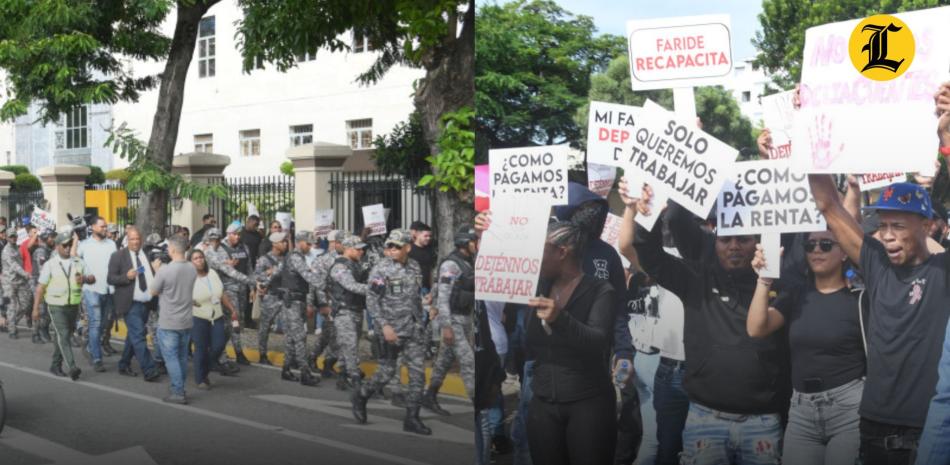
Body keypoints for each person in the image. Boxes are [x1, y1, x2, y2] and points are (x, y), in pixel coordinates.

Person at [628, 182, 788, 465]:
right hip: (704, 417)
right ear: (714, 243)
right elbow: (652, 257)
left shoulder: (779, 285)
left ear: (757, 243)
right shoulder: (695, 278)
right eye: (725, 240)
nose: (734, 247)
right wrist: (647, 215)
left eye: (743, 239)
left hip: (762, 421)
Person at [810, 173, 950, 465]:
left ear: (926, 226)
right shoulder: (876, 263)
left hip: (927, 430)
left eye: (898, 226)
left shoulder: (943, 270)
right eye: (883, 225)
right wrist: (812, 148)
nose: (887, 235)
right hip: (872, 425)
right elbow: (827, 205)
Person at [746, 230, 865, 465]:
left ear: (844, 253)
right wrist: (764, 279)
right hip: (801, 411)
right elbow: (756, 328)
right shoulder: (796, 293)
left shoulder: (860, 296)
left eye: (826, 244)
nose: (817, 250)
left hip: (849, 410)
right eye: (810, 246)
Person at [525, 221, 618, 465]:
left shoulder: (600, 290)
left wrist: (560, 318)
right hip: (543, 402)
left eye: (540, 249)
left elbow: (598, 341)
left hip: (588, 404)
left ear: (561, 252)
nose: (533, 256)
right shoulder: (537, 287)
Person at [351, 229, 431, 435]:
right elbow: (372, 300)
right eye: (389, 246)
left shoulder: (414, 266)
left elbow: (413, 296)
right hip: (391, 329)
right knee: (386, 372)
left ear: (408, 247)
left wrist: (426, 306)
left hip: (413, 328)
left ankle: (412, 418)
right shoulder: (381, 269)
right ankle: (361, 394)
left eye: (397, 246)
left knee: (418, 375)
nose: (392, 249)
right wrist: (384, 326)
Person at [424, 226, 477, 412]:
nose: (476, 244)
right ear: (464, 243)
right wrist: (446, 326)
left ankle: (430, 395)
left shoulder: (469, 261)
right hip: (452, 320)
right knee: (469, 362)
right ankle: (479, 408)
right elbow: (444, 297)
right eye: (473, 241)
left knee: (444, 360)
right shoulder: (451, 265)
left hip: (464, 319)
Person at [32, 226, 95, 381]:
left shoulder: (78, 262)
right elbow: (40, 288)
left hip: (73, 305)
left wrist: (85, 279)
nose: (68, 248)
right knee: (64, 335)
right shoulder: (50, 264)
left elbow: (93, 278)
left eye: (70, 244)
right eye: (64, 245)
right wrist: (35, 309)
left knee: (62, 337)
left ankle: (55, 365)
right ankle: (72, 367)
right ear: (58, 246)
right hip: (55, 306)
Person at [270, 231, 325, 386]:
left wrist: (264, 281)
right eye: (308, 244)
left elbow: (277, 273)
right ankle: (305, 373)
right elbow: (307, 275)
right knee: (300, 337)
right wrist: (325, 285)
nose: (310, 247)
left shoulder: (292, 257)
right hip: (293, 303)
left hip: (293, 302)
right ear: (300, 242)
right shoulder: (295, 257)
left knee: (291, 338)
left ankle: (286, 369)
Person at [107, 227, 162, 382]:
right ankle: (149, 369)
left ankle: (124, 364)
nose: (135, 242)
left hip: (146, 302)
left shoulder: (146, 254)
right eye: (132, 239)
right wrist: (126, 276)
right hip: (130, 303)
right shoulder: (118, 256)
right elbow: (110, 279)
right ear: (127, 240)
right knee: (138, 335)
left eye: (138, 238)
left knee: (134, 335)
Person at [149, 235, 198, 404]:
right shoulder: (192, 268)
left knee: (171, 358)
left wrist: (156, 271)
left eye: (169, 247)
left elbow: (153, 291)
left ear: (174, 250)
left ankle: (178, 391)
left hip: (169, 321)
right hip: (186, 320)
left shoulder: (165, 270)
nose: (167, 250)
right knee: (182, 357)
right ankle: (179, 388)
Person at [204, 227, 255, 366]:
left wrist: (250, 285)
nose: (215, 242)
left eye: (217, 240)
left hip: (237, 288)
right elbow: (229, 271)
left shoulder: (224, 249)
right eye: (212, 240)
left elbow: (247, 267)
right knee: (231, 321)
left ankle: (230, 352)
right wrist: (254, 281)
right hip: (223, 291)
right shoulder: (209, 252)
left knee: (235, 323)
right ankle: (220, 354)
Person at [188, 248, 238, 390]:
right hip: (198, 316)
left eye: (201, 257)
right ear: (190, 262)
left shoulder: (213, 273)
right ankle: (200, 379)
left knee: (218, 345)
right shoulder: (189, 278)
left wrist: (232, 309)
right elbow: (182, 294)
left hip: (216, 315)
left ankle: (205, 370)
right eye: (195, 258)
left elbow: (221, 294)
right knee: (201, 349)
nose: (199, 260)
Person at [73, 216, 117, 372]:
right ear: (92, 227)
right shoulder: (84, 245)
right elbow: (74, 259)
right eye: (102, 226)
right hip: (91, 290)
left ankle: (91, 347)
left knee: (104, 325)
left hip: (108, 290)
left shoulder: (112, 244)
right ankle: (97, 358)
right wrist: (75, 239)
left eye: (105, 226)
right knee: (96, 323)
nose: (105, 229)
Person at [327, 234, 369, 391]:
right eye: (358, 249)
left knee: (349, 346)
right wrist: (374, 288)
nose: (361, 252)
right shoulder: (340, 267)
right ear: (349, 249)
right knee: (350, 346)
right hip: (344, 312)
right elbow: (351, 286)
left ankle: (343, 376)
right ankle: (355, 380)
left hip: (355, 310)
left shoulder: (355, 265)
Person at [308, 229, 344, 377]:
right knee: (331, 334)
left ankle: (322, 360)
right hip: (329, 302)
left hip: (342, 302)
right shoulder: (324, 259)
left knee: (331, 333)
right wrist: (322, 304)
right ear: (334, 243)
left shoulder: (347, 258)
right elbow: (315, 283)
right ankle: (320, 360)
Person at [254, 231, 288, 366]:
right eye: (282, 242)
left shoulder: (286, 259)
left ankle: (290, 356)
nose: (285, 244)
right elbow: (256, 276)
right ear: (274, 244)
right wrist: (267, 273)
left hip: (284, 296)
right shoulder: (264, 259)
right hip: (270, 297)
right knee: (265, 327)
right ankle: (262, 354)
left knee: (288, 327)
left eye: (285, 241)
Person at [4, 226, 32, 339]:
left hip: (20, 281)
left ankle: (12, 322)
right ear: (7, 237)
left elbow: (21, 262)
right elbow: (15, 266)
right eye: (11, 236)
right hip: (9, 282)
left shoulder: (17, 247)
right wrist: (26, 274)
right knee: (11, 306)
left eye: (15, 236)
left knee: (26, 304)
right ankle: (12, 330)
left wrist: (25, 276)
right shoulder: (6, 251)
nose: (13, 238)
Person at [30, 228, 55, 344]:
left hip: (46, 284)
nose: (53, 239)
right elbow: (42, 271)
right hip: (38, 283)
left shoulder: (48, 250)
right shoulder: (41, 251)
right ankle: (35, 334)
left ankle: (43, 329)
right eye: (51, 236)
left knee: (47, 311)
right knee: (40, 310)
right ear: (45, 238)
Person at [408, 222, 437, 292]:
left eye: (430, 236)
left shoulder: (430, 250)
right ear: (418, 234)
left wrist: (432, 289)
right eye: (426, 236)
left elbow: (431, 270)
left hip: (427, 289)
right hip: (412, 289)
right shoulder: (409, 250)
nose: (428, 238)